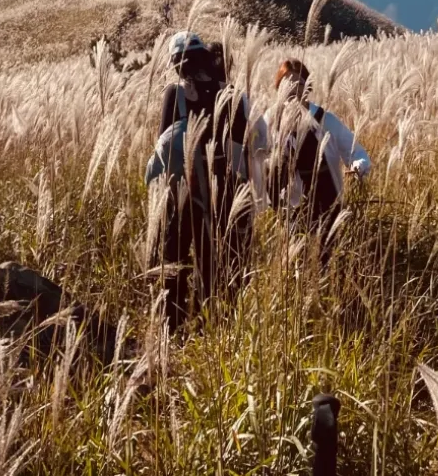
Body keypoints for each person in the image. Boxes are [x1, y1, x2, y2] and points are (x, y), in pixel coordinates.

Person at [148, 32, 259, 328]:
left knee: (174, 257)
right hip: (224, 193)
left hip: (184, 191)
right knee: (214, 261)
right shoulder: (232, 94)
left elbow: (164, 145)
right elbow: (244, 148)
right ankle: (210, 325)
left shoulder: (175, 93)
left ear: (176, 63)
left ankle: (171, 324)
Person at [269, 57, 370, 245]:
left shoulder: (324, 119)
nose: (292, 88)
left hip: (328, 199)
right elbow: (258, 158)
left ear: (307, 87)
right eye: (286, 82)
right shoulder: (271, 120)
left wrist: (358, 166)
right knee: (297, 258)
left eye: (298, 83)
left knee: (327, 254)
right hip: (292, 205)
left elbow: (355, 150)